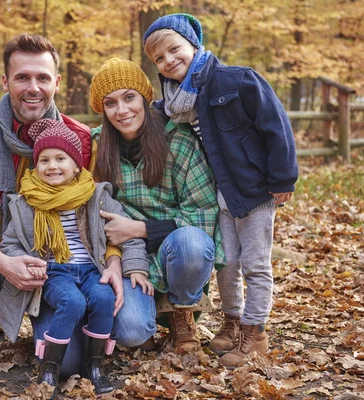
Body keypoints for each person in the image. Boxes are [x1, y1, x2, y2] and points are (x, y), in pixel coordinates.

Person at [0, 33, 156, 375]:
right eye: (22, 77)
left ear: (56, 81)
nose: (33, 87)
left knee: (75, 360)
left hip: (58, 270)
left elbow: (103, 212)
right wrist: (2, 262)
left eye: (42, 78)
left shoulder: (80, 139)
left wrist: (113, 261)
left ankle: (73, 319)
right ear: (5, 80)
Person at [143, 13, 298, 368]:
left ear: (193, 44)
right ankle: (231, 323)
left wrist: (283, 179)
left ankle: (254, 332)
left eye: (174, 49)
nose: (169, 61)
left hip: (254, 190)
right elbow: (142, 120)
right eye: (159, 59)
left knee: (255, 264)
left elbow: (276, 125)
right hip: (219, 195)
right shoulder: (172, 103)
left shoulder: (236, 80)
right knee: (226, 263)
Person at [0, 118, 152, 396]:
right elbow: (10, 244)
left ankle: (95, 366)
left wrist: (134, 267)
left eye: (60, 158)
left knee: (104, 298)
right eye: (44, 160)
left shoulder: (95, 196)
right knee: (72, 301)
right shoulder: (26, 202)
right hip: (55, 271)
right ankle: (49, 368)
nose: (52, 166)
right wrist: (25, 262)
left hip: (91, 268)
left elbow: (127, 234)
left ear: (76, 165)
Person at [89, 58, 225, 353]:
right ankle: (147, 314)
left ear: (144, 97)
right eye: (110, 103)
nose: (122, 110)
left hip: (177, 248)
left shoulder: (179, 140)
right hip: (129, 259)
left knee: (192, 243)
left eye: (129, 98)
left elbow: (202, 216)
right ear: (102, 109)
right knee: (132, 332)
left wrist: (138, 228)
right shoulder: (96, 148)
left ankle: (181, 313)